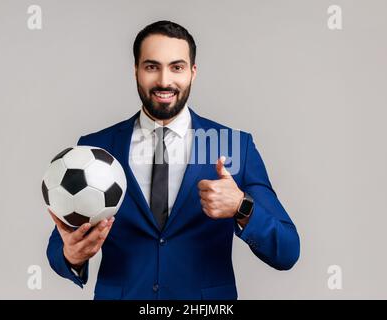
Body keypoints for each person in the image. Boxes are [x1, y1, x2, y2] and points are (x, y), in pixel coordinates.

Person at [47, 20, 300, 300]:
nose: (164, 81)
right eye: (152, 66)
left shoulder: (232, 146)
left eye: (177, 67)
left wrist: (242, 206)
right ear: (136, 71)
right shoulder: (97, 147)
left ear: (193, 72)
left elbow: (287, 251)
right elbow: (60, 247)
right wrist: (71, 255)